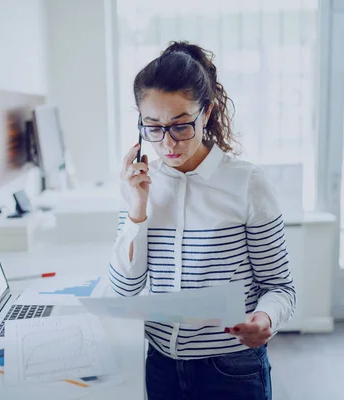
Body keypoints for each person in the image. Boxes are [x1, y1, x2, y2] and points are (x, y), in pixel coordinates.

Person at [108, 41, 296, 400]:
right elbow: (124, 289)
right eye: (152, 127)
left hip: (231, 369)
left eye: (181, 126)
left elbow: (281, 287)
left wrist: (266, 319)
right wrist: (137, 208)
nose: (168, 143)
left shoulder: (247, 183)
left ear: (206, 113)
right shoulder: (141, 184)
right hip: (160, 364)